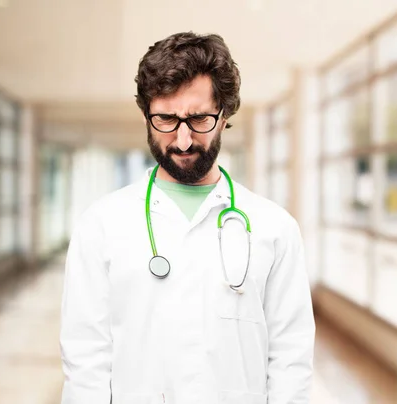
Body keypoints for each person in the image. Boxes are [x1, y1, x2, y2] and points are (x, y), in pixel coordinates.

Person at [59, 32, 315, 404]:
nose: (181, 140)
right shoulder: (101, 225)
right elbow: (85, 361)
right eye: (165, 118)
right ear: (146, 116)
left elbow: (291, 361)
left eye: (198, 120)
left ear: (224, 114)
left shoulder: (274, 229)